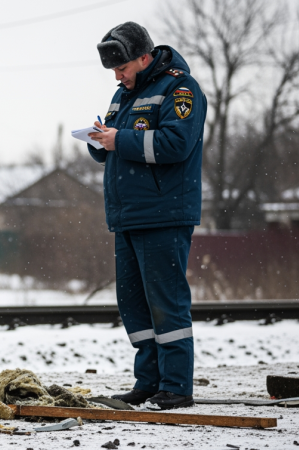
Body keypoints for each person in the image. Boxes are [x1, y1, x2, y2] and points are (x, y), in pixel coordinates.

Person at [87, 22, 206, 410]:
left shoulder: (180, 89)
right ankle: (148, 382)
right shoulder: (123, 94)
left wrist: (118, 139)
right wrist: (100, 142)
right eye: (113, 72)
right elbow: (117, 144)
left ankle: (176, 386)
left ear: (144, 57)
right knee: (135, 305)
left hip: (163, 214)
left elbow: (176, 144)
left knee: (166, 302)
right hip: (128, 216)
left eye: (122, 68)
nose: (117, 77)